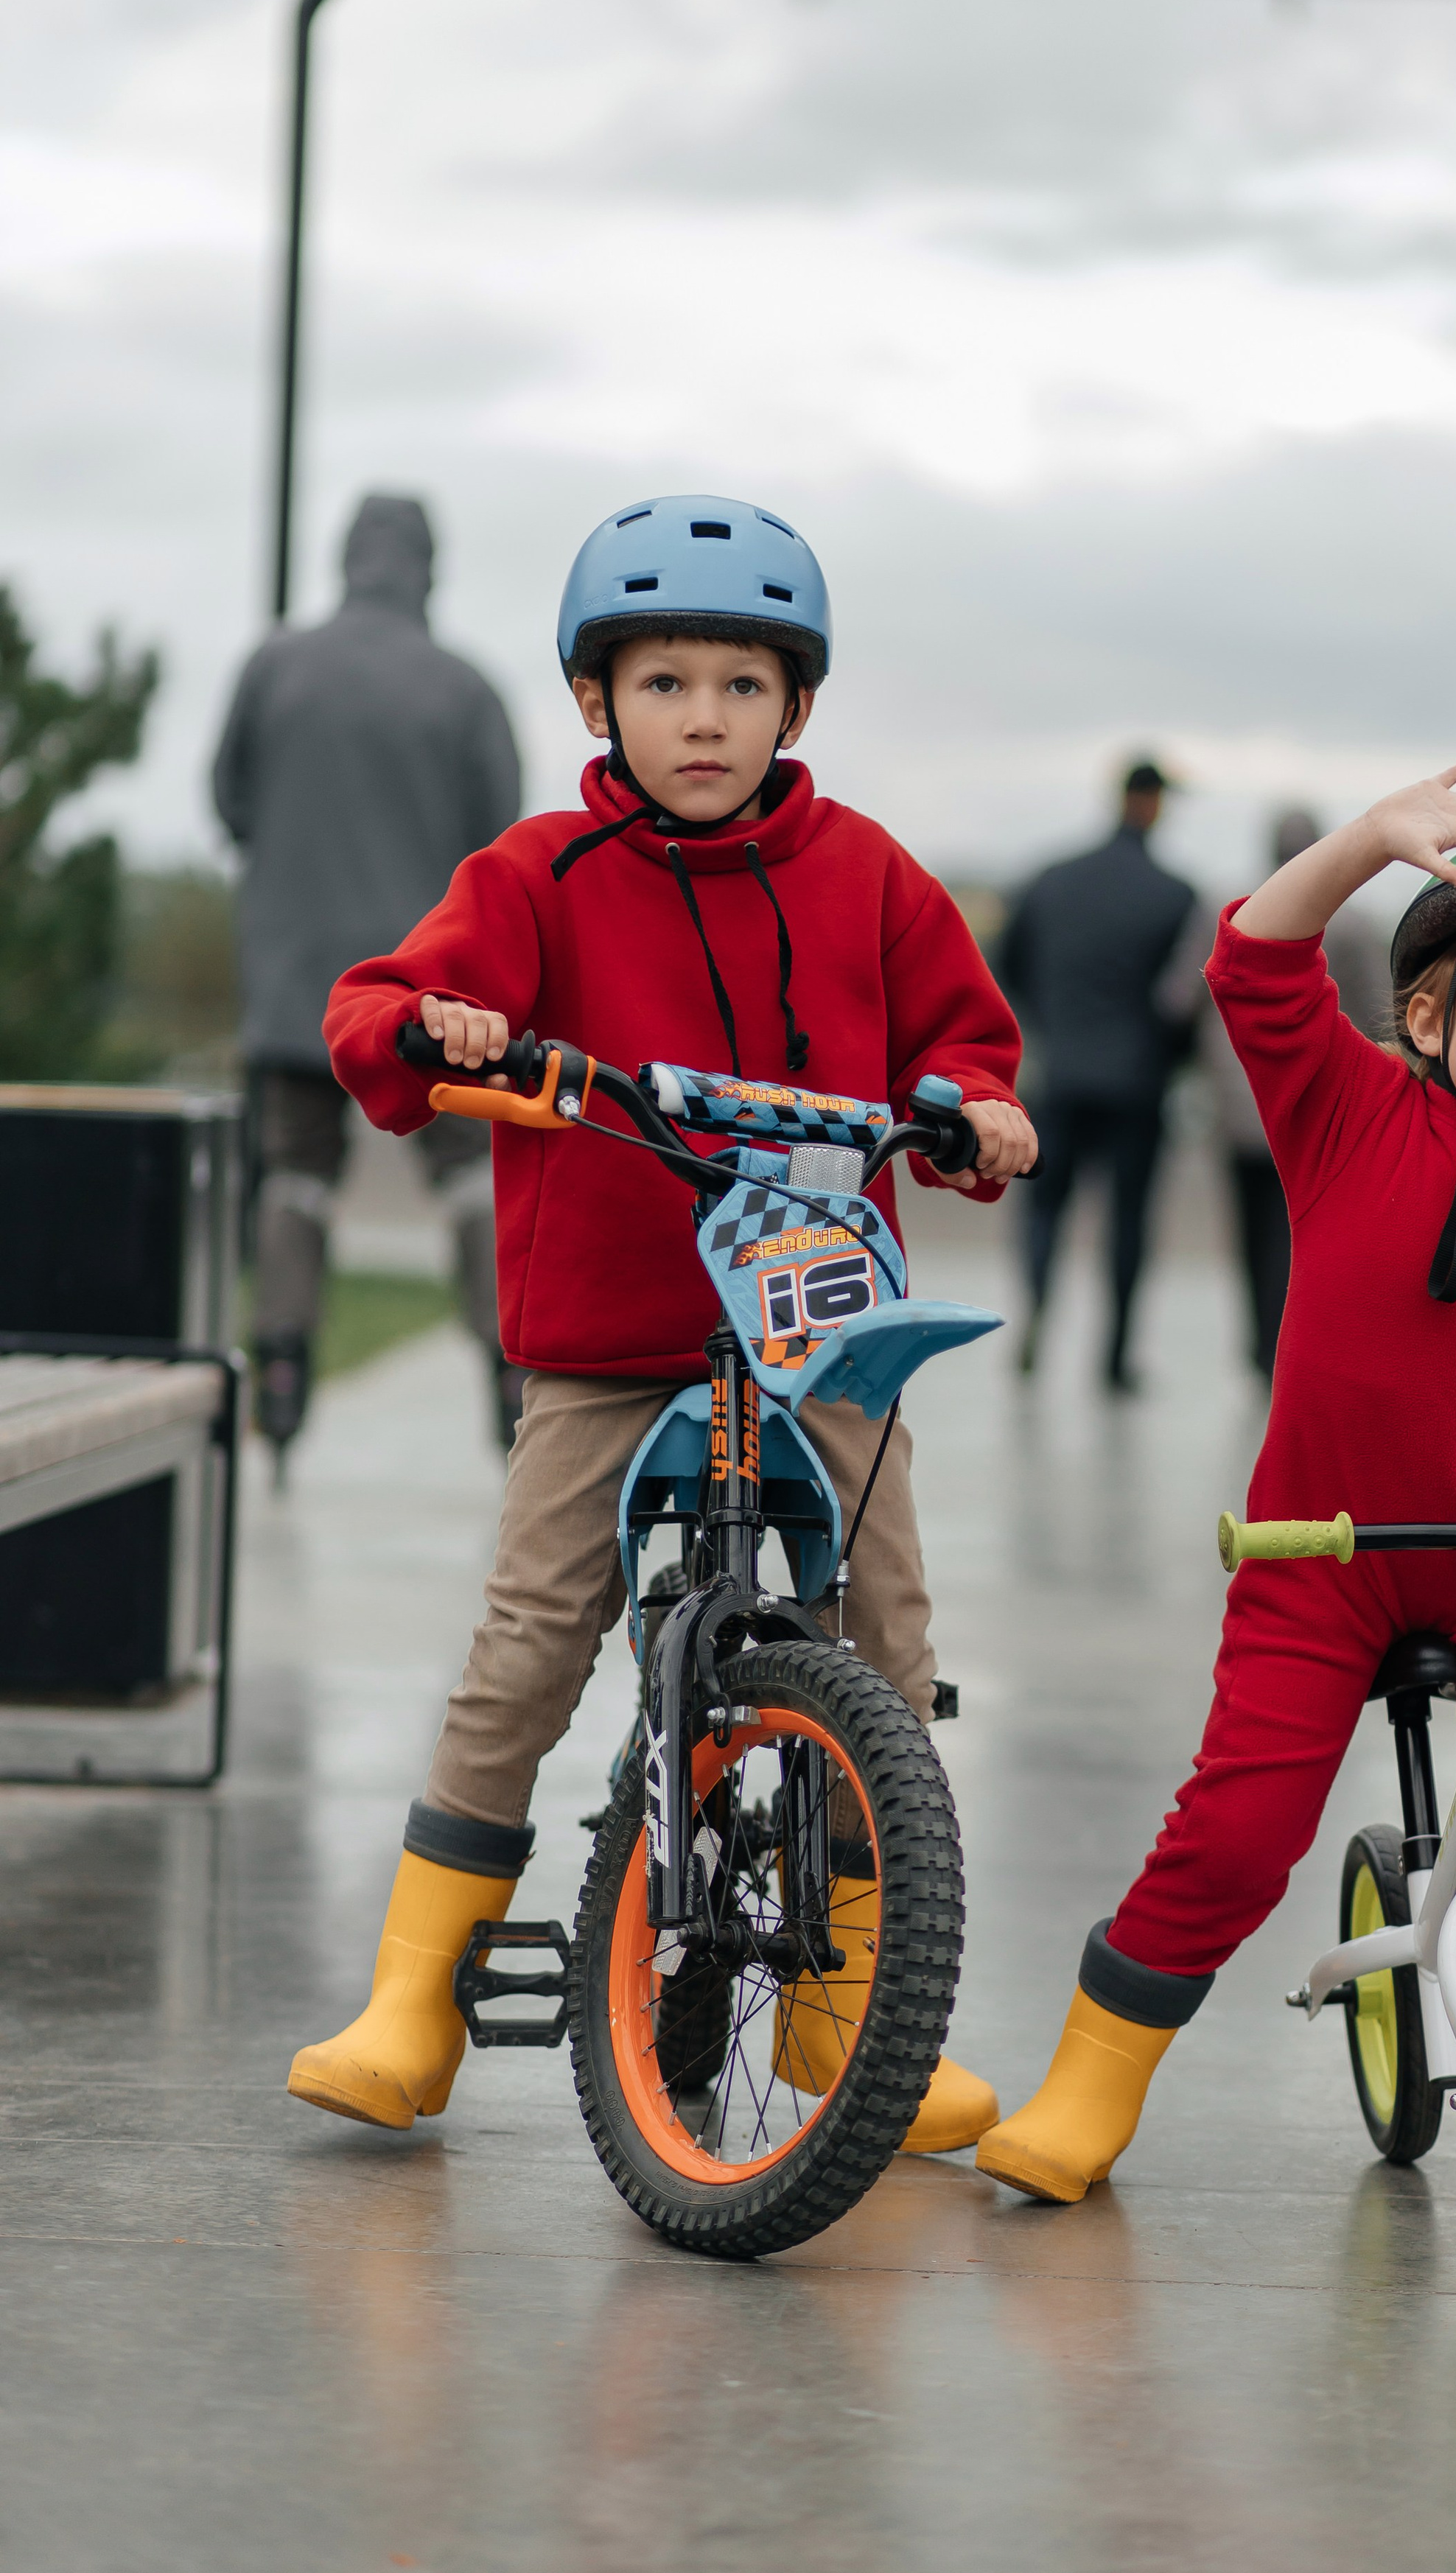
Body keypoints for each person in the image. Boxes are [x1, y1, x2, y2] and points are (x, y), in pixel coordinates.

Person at [287, 495, 1035, 2155]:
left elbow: (966, 1048)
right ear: (596, 706)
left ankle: (854, 2003)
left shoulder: (868, 878)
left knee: (881, 1643)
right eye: (667, 682)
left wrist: (980, 1110)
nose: (704, 717)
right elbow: (370, 1011)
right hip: (609, 1336)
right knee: (529, 1636)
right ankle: (417, 1997)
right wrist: (436, 1020)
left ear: (797, 710)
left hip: (818, 1326)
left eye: (742, 686)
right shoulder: (538, 874)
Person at [976, 764, 1456, 2229]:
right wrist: (1367, 844)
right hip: (1319, 1556)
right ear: (1432, 1017)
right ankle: (1091, 2083)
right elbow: (1248, 961)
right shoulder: (1342, 1117)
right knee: (1239, 1827)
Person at [213, 494, 521, 1463]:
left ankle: (283, 1360)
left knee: (296, 1174)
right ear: (430, 567)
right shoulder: (466, 690)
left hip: (299, 981)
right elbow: (501, 847)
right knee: (471, 1177)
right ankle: (507, 1368)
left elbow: (231, 800)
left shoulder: (274, 667)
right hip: (435, 994)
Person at [1165, 807, 1389, 1380]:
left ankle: (1261, 1345)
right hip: (1324, 1110)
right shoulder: (1356, 922)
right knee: (1312, 1231)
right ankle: (1298, 1344)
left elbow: (1177, 998)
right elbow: (1382, 1014)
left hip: (1240, 1104)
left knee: (1251, 1229)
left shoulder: (1230, 910)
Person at [999, 758, 1196, 1390]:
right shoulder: (1175, 893)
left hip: (1059, 1074)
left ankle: (1033, 1322)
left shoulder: (1051, 879)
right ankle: (1114, 1358)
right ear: (1157, 803)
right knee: (1129, 1221)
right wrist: (1170, 1056)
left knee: (1043, 1211)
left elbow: (1007, 966)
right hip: (1138, 1082)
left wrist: (1049, 1027)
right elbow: (1186, 998)